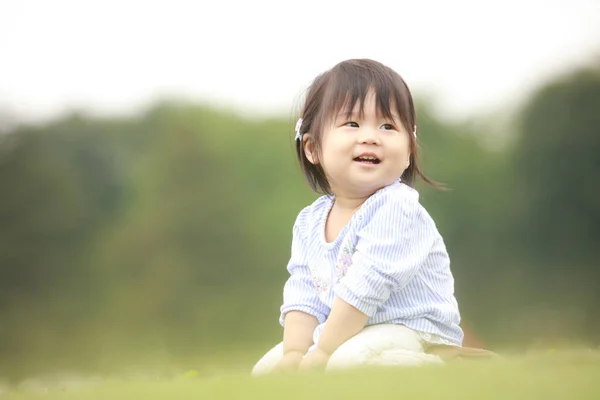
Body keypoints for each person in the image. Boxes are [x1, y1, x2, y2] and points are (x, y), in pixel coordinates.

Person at [252, 59, 463, 375]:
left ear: (408, 151)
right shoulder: (310, 221)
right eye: (352, 124)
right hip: (352, 331)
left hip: (413, 328)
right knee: (267, 371)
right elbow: (303, 291)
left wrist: (322, 350)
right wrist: (295, 353)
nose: (371, 137)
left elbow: (367, 286)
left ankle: (449, 365)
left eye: (388, 126)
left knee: (344, 363)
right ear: (312, 148)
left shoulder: (397, 206)